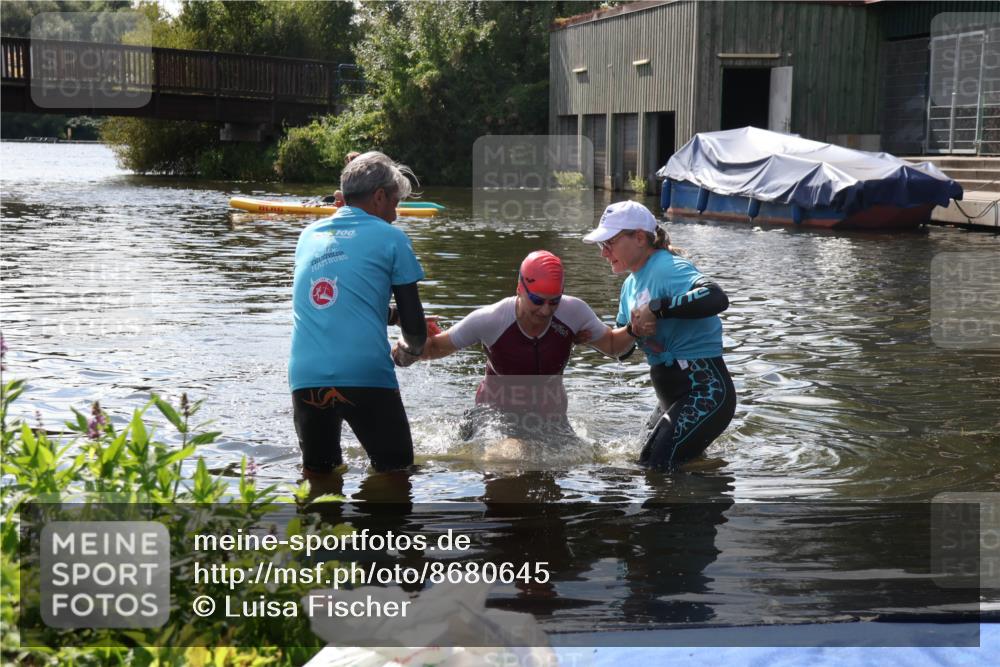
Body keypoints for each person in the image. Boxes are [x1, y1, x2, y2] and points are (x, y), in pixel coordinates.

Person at [394, 250, 635, 439]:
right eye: (537, 300)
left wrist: (635, 328)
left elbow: (613, 346)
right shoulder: (491, 319)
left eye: (554, 301)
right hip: (494, 417)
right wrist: (408, 342)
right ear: (520, 288)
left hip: (551, 421)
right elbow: (433, 348)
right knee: (510, 459)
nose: (545, 310)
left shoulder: (574, 313)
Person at [289, 151, 428, 476]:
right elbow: (415, 329)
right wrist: (410, 351)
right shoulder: (392, 238)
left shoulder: (308, 236)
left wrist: (390, 316)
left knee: (319, 480)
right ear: (379, 197)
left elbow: (340, 301)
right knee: (396, 475)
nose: (395, 214)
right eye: (395, 202)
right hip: (366, 375)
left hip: (306, 377)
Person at [583, 200, 736, 470]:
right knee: (642, 463)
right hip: (671, 398)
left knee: (654, 468)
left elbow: (716, 297)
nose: (604, 253)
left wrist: (658, 308)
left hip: (706, 392)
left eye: (610, 243)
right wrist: (589, 333)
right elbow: (622, 351)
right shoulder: (629, 287)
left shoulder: (667, 267)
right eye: (601, 245)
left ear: (640, 238)